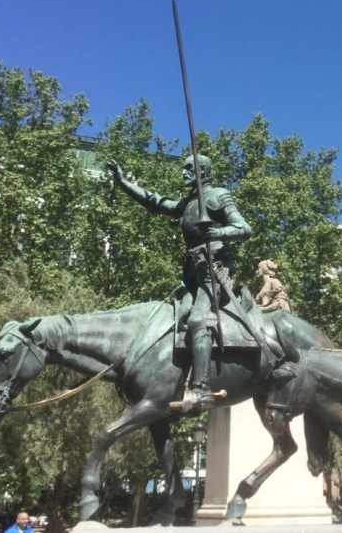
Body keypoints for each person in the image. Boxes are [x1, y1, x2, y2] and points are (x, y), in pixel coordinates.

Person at [107, 154, 252, 410]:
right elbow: (156, 202)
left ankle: (202, 389)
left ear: (203, 172)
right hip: (192, 273)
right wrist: (123, 183)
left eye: (189, 169)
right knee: (174, 321)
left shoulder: (218, 195)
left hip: (214, 269)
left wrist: (218, 232)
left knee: (198, 320)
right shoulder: (187, 203)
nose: (183, 173)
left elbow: (244, 228)